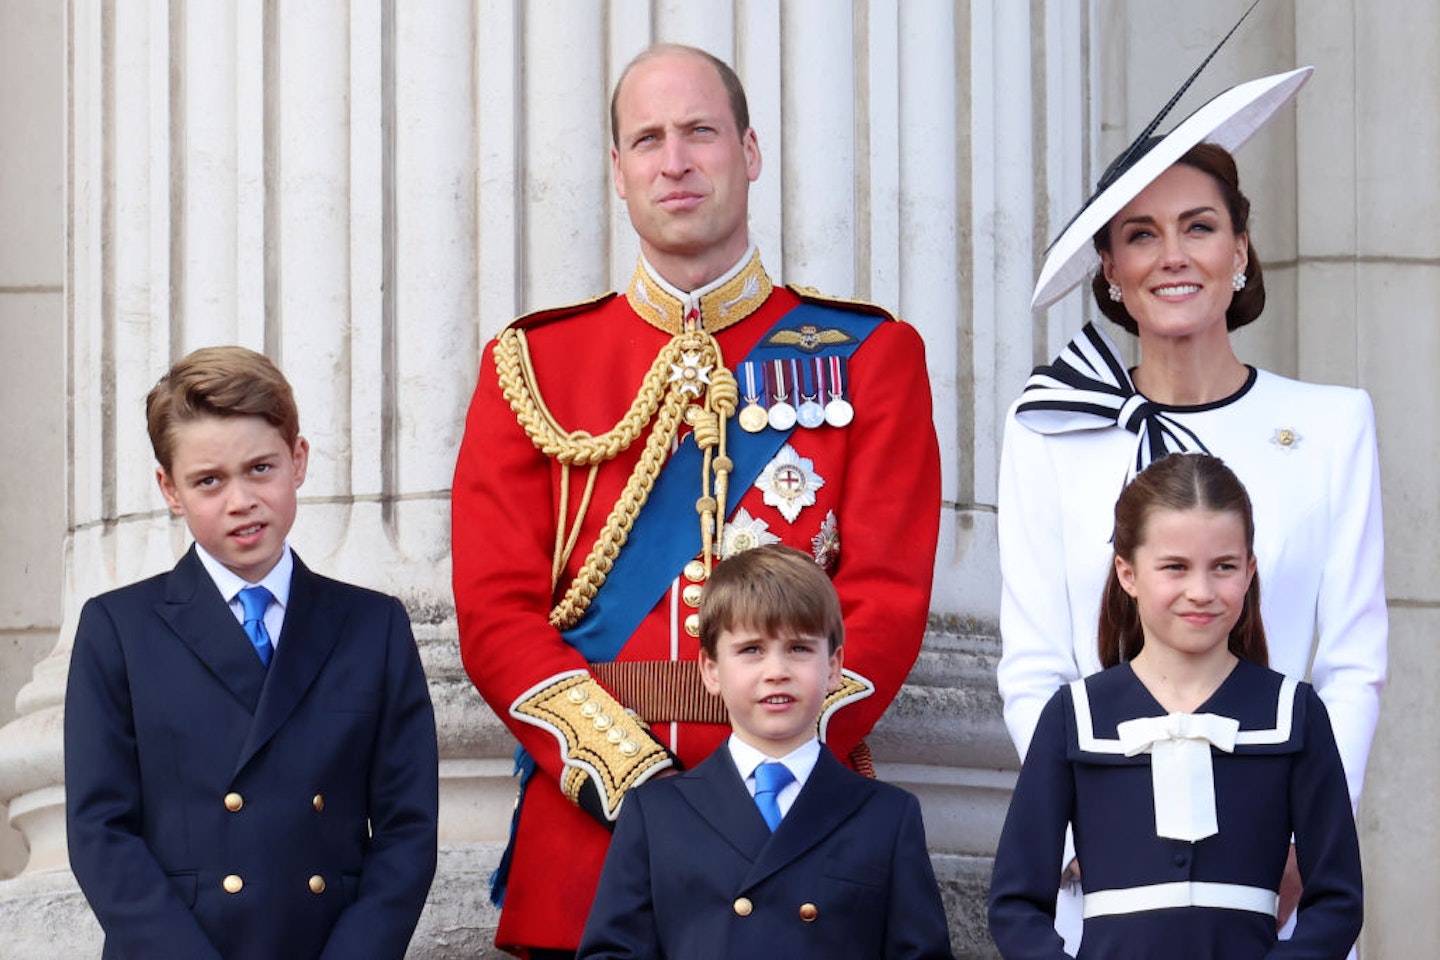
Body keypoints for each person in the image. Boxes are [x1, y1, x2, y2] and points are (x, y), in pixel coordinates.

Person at [451, 43, 941, 957]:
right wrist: (633, 776)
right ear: (619, 172)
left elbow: (886, 598)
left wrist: (768, 765)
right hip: (590, 836)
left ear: (748, 153)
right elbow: (493, 614)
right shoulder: (533, 366)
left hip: (796, 827)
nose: (673, 161)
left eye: (699, 133)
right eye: (648, 140)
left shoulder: (872, 357)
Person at [996, 66, 1384, 952]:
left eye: (1199, 227)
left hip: (1278, 885)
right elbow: (1034, 665)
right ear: (1111, 267)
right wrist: (1091, 818)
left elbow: (1353, 663)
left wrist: (1300, 839)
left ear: (1240, 248)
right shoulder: (1050, 426)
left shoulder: (1329, 424)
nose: (1173, 256)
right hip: (1109, 890)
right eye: (1141, 235)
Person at [64, 346, 439, 960]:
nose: (240, 500)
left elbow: (406, 831)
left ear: (298, 461)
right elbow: (100, 833)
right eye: (208, 480)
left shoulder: (374, 627)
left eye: (260, 468)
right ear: (170, 489)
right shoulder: (118, 630)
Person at [988, 453, 1363, 958]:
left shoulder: (1294, 713)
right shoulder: (1073, 715)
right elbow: (1015, 905)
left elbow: (1337, 900)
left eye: (1224, 567)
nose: (1201, 591)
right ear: (1128, 573)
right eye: (1175, 568)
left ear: (1250, 570)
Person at [577, 544, 953, 959]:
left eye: (799, 649)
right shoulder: (655, 813)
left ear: (833, 667)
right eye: (751, 650)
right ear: (711, 670)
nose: (776, 672)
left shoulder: (886, 816)